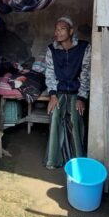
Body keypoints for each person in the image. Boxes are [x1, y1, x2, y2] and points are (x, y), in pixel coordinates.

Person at [44, 16, 91, 169]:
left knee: (75, 118)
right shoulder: (52, 49)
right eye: (56, 29)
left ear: (71, 31)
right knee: (55, 114)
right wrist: (52, 95)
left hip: (77, 92)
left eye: (62, 29)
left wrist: (82, 97)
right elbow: (50, 73)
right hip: (59, 91)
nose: (58, 32)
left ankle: (77, 160)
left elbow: (86, 73)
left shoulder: (84, 47)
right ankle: (54, 160)